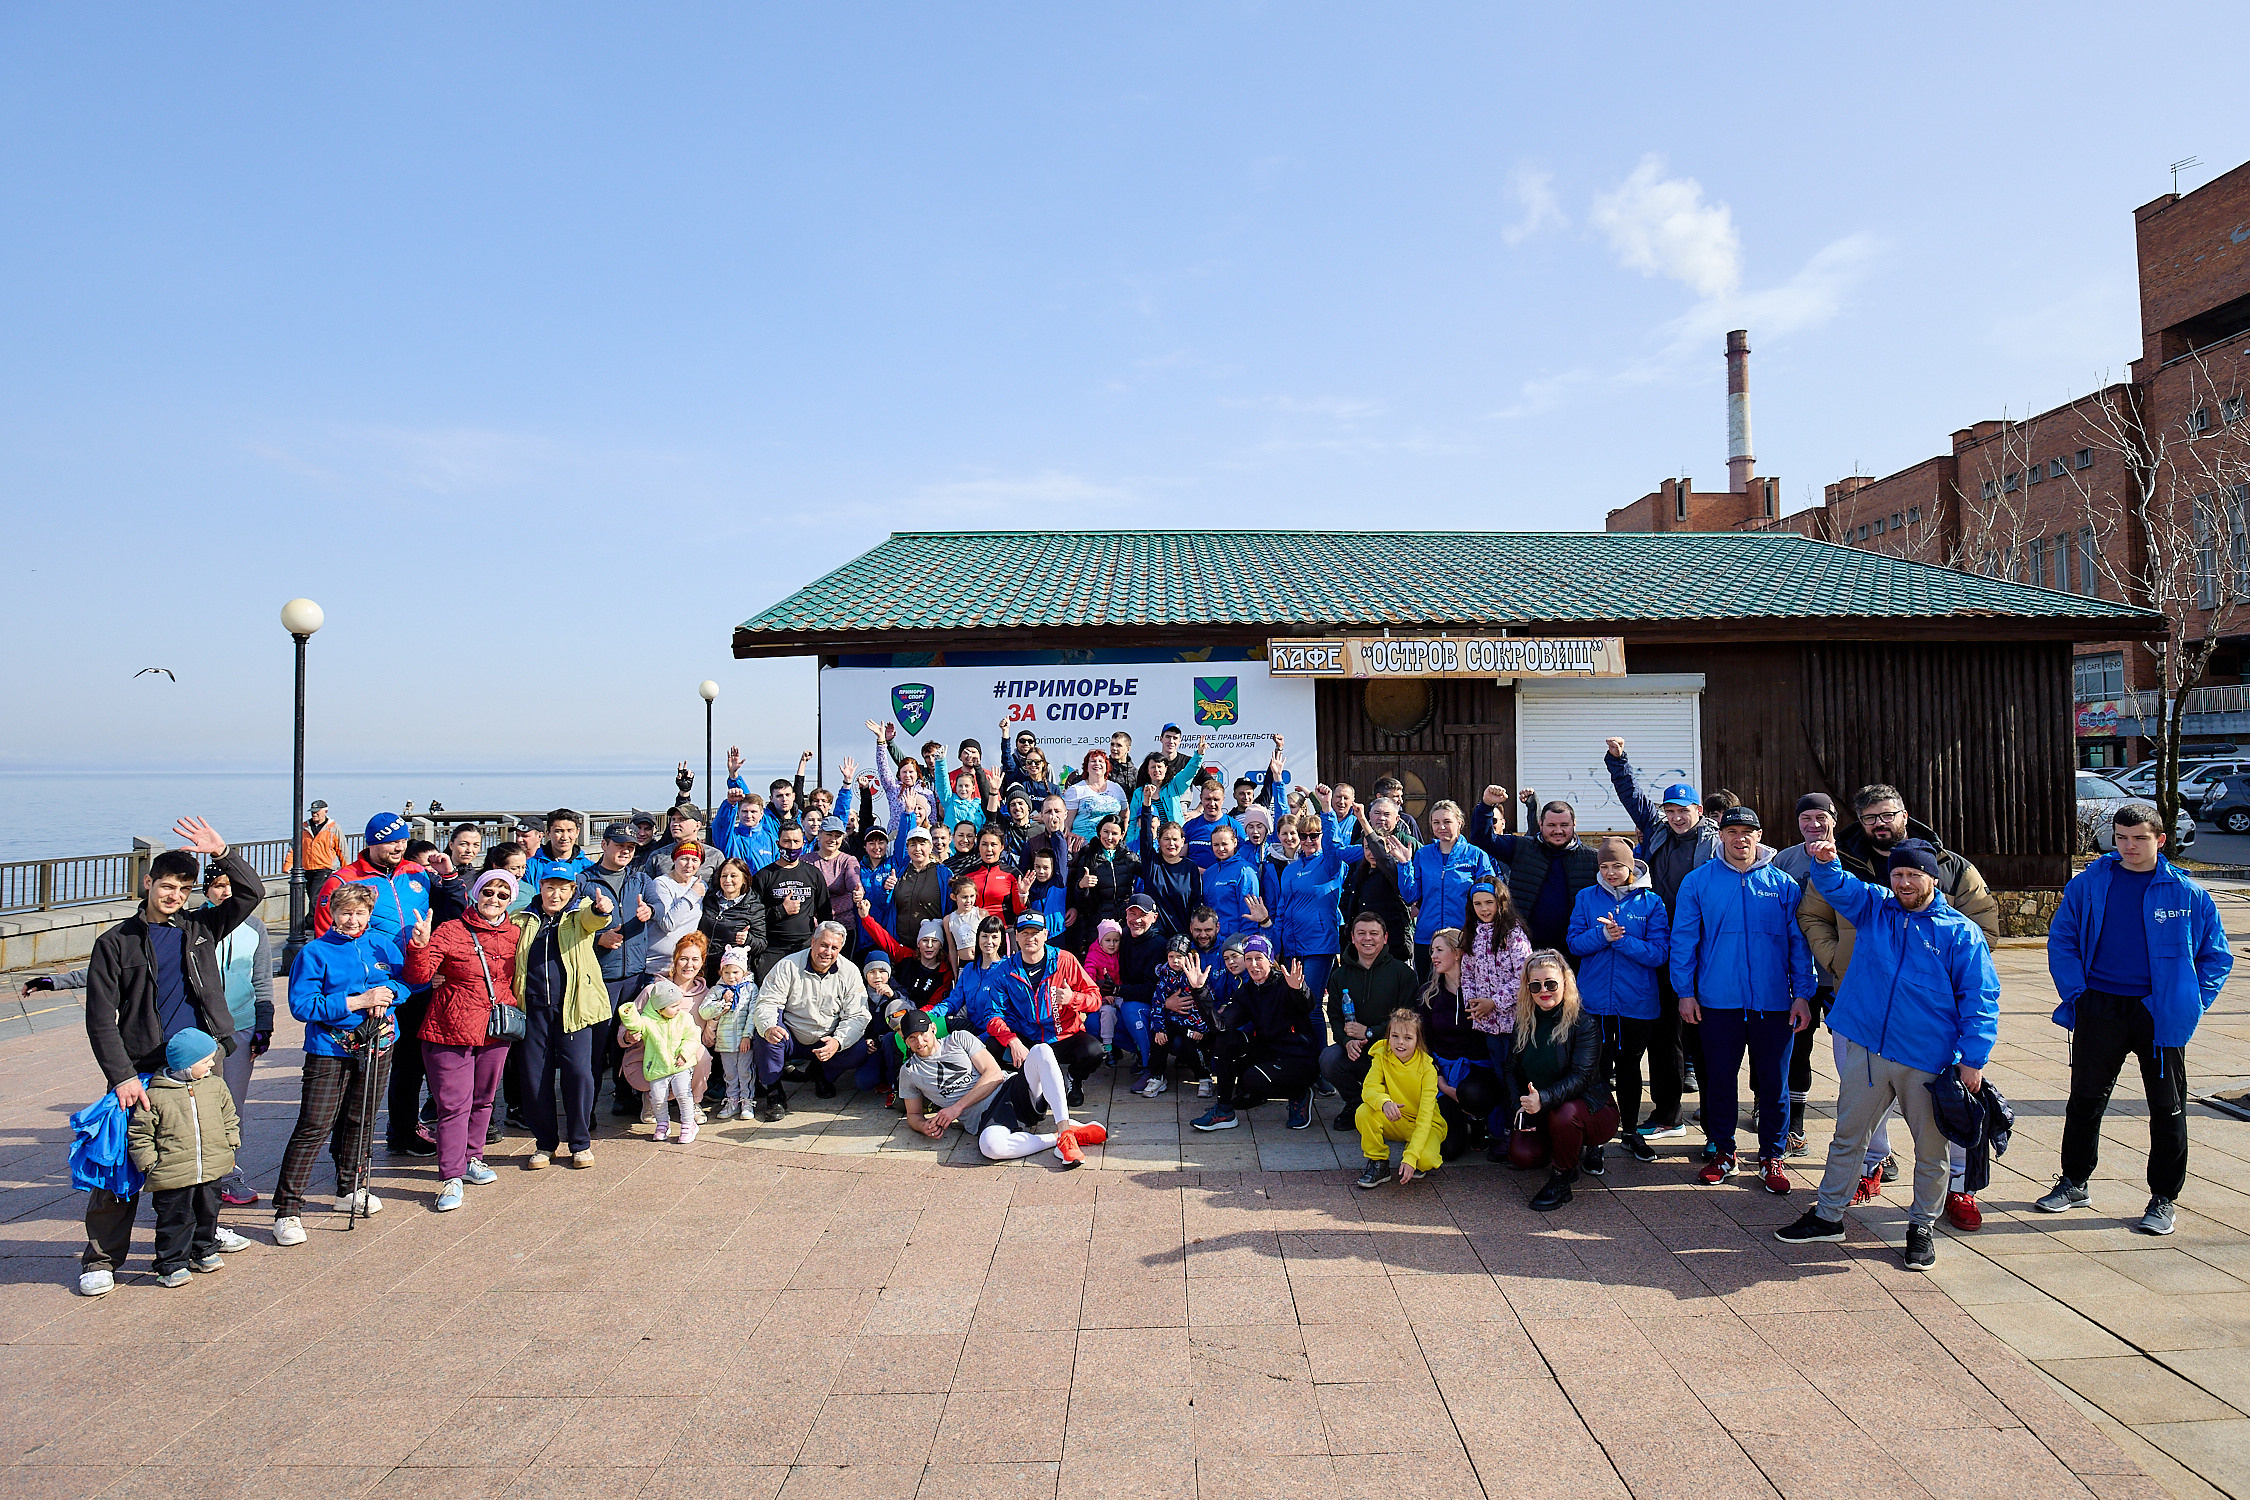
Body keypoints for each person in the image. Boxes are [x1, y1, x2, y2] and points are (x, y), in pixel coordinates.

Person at [1773, 834, 2002, 1269]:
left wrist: (1973, 1060)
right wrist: (1824, 863)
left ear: (1932, 878)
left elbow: (1981, 998)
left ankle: (1921, 1226)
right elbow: (1841, 887)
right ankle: (1828, 1215)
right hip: (1867, 1049)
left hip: (1927, 1060)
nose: (1904, 882)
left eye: (1914, 874)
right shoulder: (1875, 907)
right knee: (1848, 1136)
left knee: (1931, 1152)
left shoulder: (1960, 933)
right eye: (1898, 874)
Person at [2038, 802, 2233, 1236]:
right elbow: (2063, 939)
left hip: (2159, 1014)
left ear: (2160, 840)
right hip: (2100, 1006)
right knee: (2086, 1101)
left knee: (2167, 1108)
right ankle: (2074, 1182)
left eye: (2140, 838)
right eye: (2122, 838)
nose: (2129, 847)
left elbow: (2216, 957)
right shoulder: (2089, 884)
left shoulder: (2188, 894)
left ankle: (2163, 1198)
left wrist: (2190, 1003)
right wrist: (2077, 994)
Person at [1670, 807, 1814, 1193]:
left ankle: (1772, 1155)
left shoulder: (1783, 885)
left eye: (1746, 832)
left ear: (1759, 834)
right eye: (1731, 831)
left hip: (1773, 1003)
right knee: (1718, 1081)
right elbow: (1683, 941)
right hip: (1718, 1002)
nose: (1739, 839)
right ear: (1721, 835)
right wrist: (1685, 992)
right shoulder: (1698, 882)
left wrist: (1802, 994)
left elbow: (1799, 945)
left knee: (1773, 1084)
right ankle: (1723, 1152)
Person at [273, 881, 401, 1248]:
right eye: (346, 912)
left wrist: (388, 996)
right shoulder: (314, 952)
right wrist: (358, 1002)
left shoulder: (381, 943)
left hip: (379, 1044)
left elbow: (403, 982)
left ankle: (350, 1187)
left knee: (360, 1119)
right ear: (333, 912)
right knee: (315, 1125)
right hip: (330, 1048)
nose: (353, 919)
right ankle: (287, 1209)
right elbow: (303, 1006)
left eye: (360, 913)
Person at [1599, 738, 1718, 1129]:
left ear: (1698, 810)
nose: (1676, 817)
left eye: (1683, 810)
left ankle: (1717, 1115)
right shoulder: (1657, 831)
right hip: (1659, 943)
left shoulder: (1716, 844)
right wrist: (1619, 761)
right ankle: (1669, 1114)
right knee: (1665, 1032)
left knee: (1703, 1035)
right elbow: (1631, 795)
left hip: (1701, 947)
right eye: (1670, 810)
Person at [402, 869, 524, 1212]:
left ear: (511, 899)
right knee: (454, 1105)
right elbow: (419, 976)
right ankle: (451, 1175)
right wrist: (420, 944)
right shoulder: (452, 930)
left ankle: (473, 1158)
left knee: (484, 1099)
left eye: (503, 894)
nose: (494, 899)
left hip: (496, 1026)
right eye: (488, 891)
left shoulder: (515, 934)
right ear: (475, 893)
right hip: (449, 1026)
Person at [1565, 838, 1671, 1165]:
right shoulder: (1586, 897)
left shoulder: (1651, 902)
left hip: (1635, 1003)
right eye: (1604, 866)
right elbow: (1573, 943)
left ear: (1631, 866)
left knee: (1629, 1069)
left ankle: (1630, 1132)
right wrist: (1602, 936)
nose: (1611, 872)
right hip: (1594, 1002)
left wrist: (1622, 941)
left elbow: (1659, 953)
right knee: (1596, 1070)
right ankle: (1595, 1138)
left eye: (1617, 866)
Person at [900, 1010, 1108, 1166]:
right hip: (985, 1118)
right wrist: (923, 1127)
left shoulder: (958, 1038)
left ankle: (1064, 1131)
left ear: (933, 1029)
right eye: (912, 1038)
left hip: (1009, 1090)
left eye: (923, 1033)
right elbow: (914, 1114)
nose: (920, 1041)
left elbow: (994, 1074)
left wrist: (956, 1108)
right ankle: (1057, 1138)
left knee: (1042, 1050)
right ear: (905, 1041)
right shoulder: (909, 1072)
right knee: (990, 1147)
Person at [510, 870, 615, 1169]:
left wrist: (600, 910)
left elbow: (594, 920)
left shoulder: (577, 914)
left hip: (573, 1008)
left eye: (563, 889)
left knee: (579, 1074)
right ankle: (545, 1144)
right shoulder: (521, 919)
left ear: (572, 891)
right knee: (534, 1079)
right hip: (532, 1011)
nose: (556, 895)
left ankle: (580, 1143)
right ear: (540, 888)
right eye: (550, 887)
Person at [1502, 951, 1618, 1212]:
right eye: (1535, 985)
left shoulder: (1583, 1024)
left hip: (1591, 1109)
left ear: (1565, 983)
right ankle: (1566, 1149)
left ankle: (1562, 1179)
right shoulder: (1524, 1022)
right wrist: (1519, 1107)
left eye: (1551, 983)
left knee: (1565, 1115)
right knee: (1524, 1156)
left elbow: (1581, 1077)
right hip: (1542, 1107)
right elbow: (1510, 1069)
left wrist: (1542, 1099)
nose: (1543, 990)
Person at [127, 1027, 241, 1287]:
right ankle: (172, 1264)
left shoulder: (214, 1085)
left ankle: (204, 1250)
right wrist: (148, 1162)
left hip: (211, 1166)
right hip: (172, 1173)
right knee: (175, 1218)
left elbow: (228, 1116)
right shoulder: (155, 1094)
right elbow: (141, 1132)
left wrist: (231, 1143)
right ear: (185, 1065)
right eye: (205, 1061)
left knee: (208, 1211)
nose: (212, 1064)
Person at [1770, 793, 1842, 1158]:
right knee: (1797, 1047)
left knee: (1858, 1057)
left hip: (1846, 974)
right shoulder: (1785, 860)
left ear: (1834, 819)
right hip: (1802, 973)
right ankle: (1793, 1123)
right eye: (1805, 819)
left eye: (1821, 817)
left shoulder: (1851, 857)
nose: (1813, 825)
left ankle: (1872, 1144)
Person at [1193, 936, 1321, 1132]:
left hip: (1299, 1059)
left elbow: (1308, 1006)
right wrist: (1200, 992)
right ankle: (1224, 1111)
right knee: (1226, 1040)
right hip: (1269, 1053)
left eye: (1258, 958)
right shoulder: (1247, 991)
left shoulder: (1286, 983)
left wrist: (1299, 990)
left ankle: (1299, 1093)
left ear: (1270, 959)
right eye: (1249, 958)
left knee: (1252, 1079)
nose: (1253, 965)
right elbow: (1221, 1026)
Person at [200, 864, 272, 1206]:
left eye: (230, 886)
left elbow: (262, 980)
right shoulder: (193, 925)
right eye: (216, 886)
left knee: (233, 1108)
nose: (224, 892)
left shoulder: (255, 927)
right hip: (198, 1030)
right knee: (199, 1108)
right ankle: (197, 1177)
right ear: (205, 891)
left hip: (240, 1027)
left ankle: (228, 1175)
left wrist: (264, 1024)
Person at [978, 913, 1107, 1102]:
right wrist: (1013, 1041)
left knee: (1094, 1051)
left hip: (1063, 1035)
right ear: (1016, 936)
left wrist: (1073, 998)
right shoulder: (1003, 971)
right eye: (1024, 933)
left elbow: (1095, 998)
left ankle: (1074, 1078)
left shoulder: (1065, 960)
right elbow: (991, 1015)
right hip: (1027, 1038)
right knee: (993, 1045)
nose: (1030, 938)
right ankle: (1024, 1080)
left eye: (1035, 932)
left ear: (1045, 934)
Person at [749, 921, 871, 1120]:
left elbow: (858, 1015)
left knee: (859, 1048)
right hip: (792, 1035)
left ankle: (821, 1072)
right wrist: (769, 1026)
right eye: (823, 945)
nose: (827, 952)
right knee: (766, 1035)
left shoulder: (850, 972)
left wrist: (838, 1041)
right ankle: (774, 1090)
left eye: (834, 948)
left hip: (826, 1037)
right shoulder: (787, 965)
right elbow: (768, 1002)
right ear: (813, 942)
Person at [1318, 913, 1423, 1127]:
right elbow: (1335, 1017)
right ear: (1353, 939)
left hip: (1393, 1052)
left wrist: (1370, 1031)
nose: (1368, 938)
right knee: (1329, 1058)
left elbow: (1409, 1019)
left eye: (1374, 933)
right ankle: (1356, 1104)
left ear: (1385, 938)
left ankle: (1388, 1103)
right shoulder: (1340, 976)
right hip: (1358, 1051)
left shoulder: (1403, 973)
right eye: (1362, 933)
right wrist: (1346, 1042)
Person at [1469, 788, 1600, 955]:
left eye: (1564, 825)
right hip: (1525, 947)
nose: (1558, 830)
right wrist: (1486, 806)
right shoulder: (1521, 847)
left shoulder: (1592, 859)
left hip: (1575, 950)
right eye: (1551, 825)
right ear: (1540, 825)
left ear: (1574, 824)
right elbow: (1483, 839)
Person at [1380, 800, 1497, 974]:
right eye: (1436, 823)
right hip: (1427, 939)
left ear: (1460, 823)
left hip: (1463, 937)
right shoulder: (1423, 854)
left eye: (1447, 822)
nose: (1441, 827)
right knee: (1428, 993)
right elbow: (1411, 895)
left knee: (1463, 992)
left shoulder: (1476, 855)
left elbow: (1489, 895)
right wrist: (1404, 864)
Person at [1273, 789, 1364, 1003]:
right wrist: (1276, 946)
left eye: (1314, 836)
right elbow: (1281, 911)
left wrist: (1326, 808)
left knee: (1311, 1005)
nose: (1308, 840)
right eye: (1303, 836)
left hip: (1319, 946)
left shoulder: (1331, 864)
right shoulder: (1290, 870)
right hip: (1292, 946)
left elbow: (1333, 846)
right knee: (1295, 1006)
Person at [1355, 1007, 1446, 1188]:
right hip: (1395, 1118)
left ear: (1418, 1040)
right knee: (1364, 1112)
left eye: (1408, 1038)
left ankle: (1412, 1151)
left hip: (1423, 1123)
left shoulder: (1427, 1068)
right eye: (1395, 1036)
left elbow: (1426, 1116)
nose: (1400, 1043)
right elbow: (1369, 1088)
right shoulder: (1381, 1056)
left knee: (1425, 1160)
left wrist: (1412, 1156)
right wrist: (1384, 1102)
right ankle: (1378, 1162)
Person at [619, 980, 702, 1143]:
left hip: (681, 1065)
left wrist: (684, 1054)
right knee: (657, 1098)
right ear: (659, 1008)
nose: (678, 1008)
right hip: (658, 1067)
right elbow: (636, 1025)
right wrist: (629, 1014)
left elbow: (693, 1037)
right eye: (673, 1006)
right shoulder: (648, 1021)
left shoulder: (684, 1018)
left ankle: (688, 1122)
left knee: (683, 1093)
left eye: (679, 1004)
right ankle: (663, 1123)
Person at [1342, 798, 1416, 964]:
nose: (1371, 852)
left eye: (1376, 847)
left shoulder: (1393, 868)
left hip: (1394, 946)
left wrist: (1361, 819)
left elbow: (1382, 856)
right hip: (1368, 944)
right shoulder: (1362, 872)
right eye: (1367, 848)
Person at [1066, 814, 1141, 954]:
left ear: (1122, 835)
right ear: (1099, 831)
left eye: (1114, 833)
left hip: (1123, 922)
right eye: (1106, 832)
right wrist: (1081, 886)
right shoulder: (1088, 857)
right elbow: (1080, 901)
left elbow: (1150, 874)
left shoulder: (1129, 858)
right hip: (1097, 924)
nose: (1109, 837)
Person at [1136, 821, 1203, 942]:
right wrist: (1146, 805)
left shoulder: (1190, 867)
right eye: (1166, 839)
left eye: (1175, 839)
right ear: (1159, 841)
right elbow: (1145, 836)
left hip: (1182, 935)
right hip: (1154, 936)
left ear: (1182, 842)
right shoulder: (1152, 863)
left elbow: (1196, 902)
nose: (1171, 843)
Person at [888, 827, 950, 945]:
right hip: (903, 943)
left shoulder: (944, 874)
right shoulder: (900, 872)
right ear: (907, 848)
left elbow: (950, 907)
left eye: (922, 844)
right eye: (912, 845)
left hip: (932, 946)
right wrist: (886, 890)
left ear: (931, 847)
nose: (917, 849)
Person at [1182, 781, 1245, 871]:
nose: (1212, 804)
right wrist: (1197, 871)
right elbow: (1180, 858)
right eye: (1208, 799)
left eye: (1216, 799)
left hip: (1224, 881)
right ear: (1201, 798)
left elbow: (1242, 858)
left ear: (1223, 799)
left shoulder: (1234, 826)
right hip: (1194, 880)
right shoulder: (1190, 826)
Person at [283, 798, 344, 891]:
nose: (314, 814)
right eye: (312, 812)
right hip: (307, 868)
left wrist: (346, 869)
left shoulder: (333, 828)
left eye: (317, 812)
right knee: (312, 895)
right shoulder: (303, 828)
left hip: (324, 868)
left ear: (325, 811)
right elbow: (293, 847)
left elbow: (342, 849)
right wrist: (287, 865)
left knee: (315, 896)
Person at [524, 808, 591, 886]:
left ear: (577, 832)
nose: (565, 837)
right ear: (548, 833)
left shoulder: (588, 867)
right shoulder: (530, 867)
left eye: (570, 830)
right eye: (559, 831)